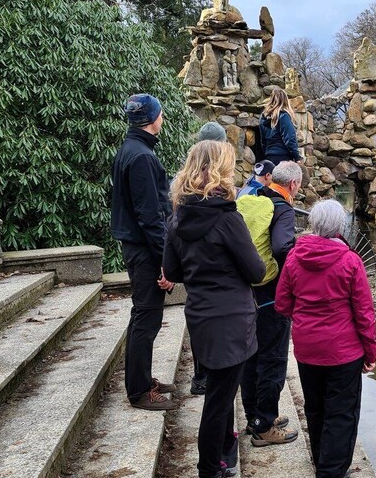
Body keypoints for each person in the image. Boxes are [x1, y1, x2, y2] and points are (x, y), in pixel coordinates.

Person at [163, 140, 266, 478]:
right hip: (233, 319)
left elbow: (174, 272)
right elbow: (256, 271)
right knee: (219, 400)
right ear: (219, 171)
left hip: (201, 315)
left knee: (220, 391)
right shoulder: (228, 219)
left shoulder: (178, 218)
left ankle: (226, 450)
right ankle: (210, 468)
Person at [275, 200, 376, 478]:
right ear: (340, 227)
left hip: (308, 349)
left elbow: (282, 305)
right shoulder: (350, 261)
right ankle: (331, 471)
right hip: (344, 352)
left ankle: (321, 461)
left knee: (315, 407)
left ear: (313, 225)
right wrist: (370, 353)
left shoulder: (294, 258)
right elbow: (364, 312)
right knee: (342, 413)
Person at [111, 93, 178, 411]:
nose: (162, 119)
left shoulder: (132, 150)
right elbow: (150, 216)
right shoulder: (142, 157)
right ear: (153, 119)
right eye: (161, 114)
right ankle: (138, 390)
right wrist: (165, 262)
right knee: (146, 318)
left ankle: (144, 378)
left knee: (145, 316)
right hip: (143, 249)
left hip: (137, 246)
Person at [238, 161, 303, 447]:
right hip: (272, 295)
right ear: (293, 185)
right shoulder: (284, 208)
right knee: (274, 359)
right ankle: (265, 426)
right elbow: (281, 247)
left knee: (251, 355)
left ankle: (256, 415)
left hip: (247, 290)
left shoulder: (253, 199)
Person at [188, 120, 227, 396]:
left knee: (200, 320)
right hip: (213, 265)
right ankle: (209, 374)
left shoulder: (186, 180)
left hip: (194, 269)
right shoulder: (218, 181)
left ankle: (201, 374)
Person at [259, 87, 302, 165]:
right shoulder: (284, 116)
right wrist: (297, 157)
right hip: (283, 157)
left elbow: (263, 141)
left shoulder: (263, 117)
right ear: (285, 100)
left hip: (269, 157)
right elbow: (289, 139)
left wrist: (266, 153)